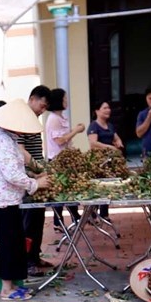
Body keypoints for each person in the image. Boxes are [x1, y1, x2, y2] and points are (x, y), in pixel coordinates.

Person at [0, 99, 51, 301]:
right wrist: (35, 184)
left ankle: (11, 285)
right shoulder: (1, 141)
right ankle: (6, 289)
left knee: (14, 243)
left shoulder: (7, 138)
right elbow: (11, 174)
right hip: (2, 201)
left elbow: (18, 167)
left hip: (9, 199)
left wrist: (35, 176)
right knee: (8, 245)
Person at [18, 85, 53, 274]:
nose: (43, 110)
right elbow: (21, 151)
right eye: (42, 105)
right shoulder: (22, 120)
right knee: (29, 221)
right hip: (28, 179)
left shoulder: (32, 120)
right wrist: (37, 171)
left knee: (38, 218)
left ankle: (35, 257)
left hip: (38, 176)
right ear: (32, 99)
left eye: (45, 107)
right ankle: (27, 263)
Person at [45, 88, 85, 232]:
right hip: (57, 161)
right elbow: (60, 140)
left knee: (67, 189)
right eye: (64, 98)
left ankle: (74, 217)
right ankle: (60, 221)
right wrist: (76, 130)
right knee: (61, 192)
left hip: (65, 160)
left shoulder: (60, 117)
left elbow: (66, 140)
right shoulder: (54, 119)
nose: (66, 101)